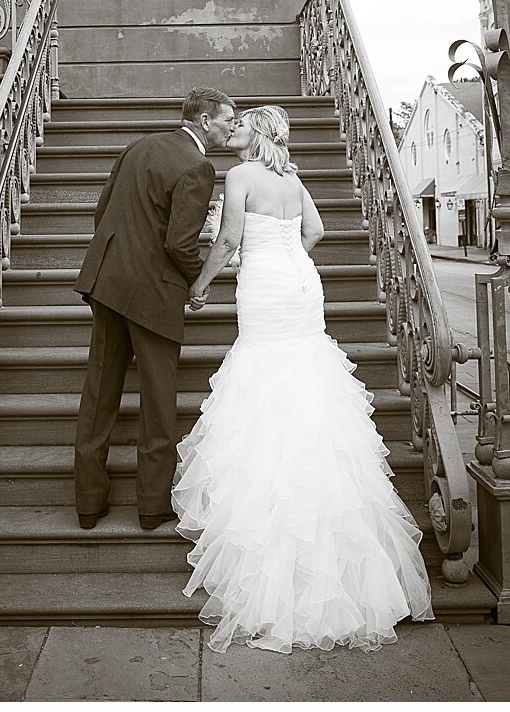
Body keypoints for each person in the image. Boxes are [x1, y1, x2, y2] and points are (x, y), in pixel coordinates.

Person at [175, 105, 433, 653]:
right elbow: (315, 230)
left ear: (261, 134)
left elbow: (226, 242)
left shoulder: (241, 175)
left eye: (243, 124)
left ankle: (270, 522)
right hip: (299, 282)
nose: (236, 130)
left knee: (264, 374)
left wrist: (201, 285)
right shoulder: (293, 178)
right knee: (306, 375)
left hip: (266, 285)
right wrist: (288, 255)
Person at [74, 87, 235, 531]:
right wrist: (196, 282)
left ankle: (88, 505)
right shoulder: (198, 166)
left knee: (98, 398)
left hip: (108, 284)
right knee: (158, 404)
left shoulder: (138, 146)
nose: (231, 128)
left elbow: (102, 212)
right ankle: (151, 507)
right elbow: (179, 243)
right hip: (154, 296)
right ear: (204, 121)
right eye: (227, 120)